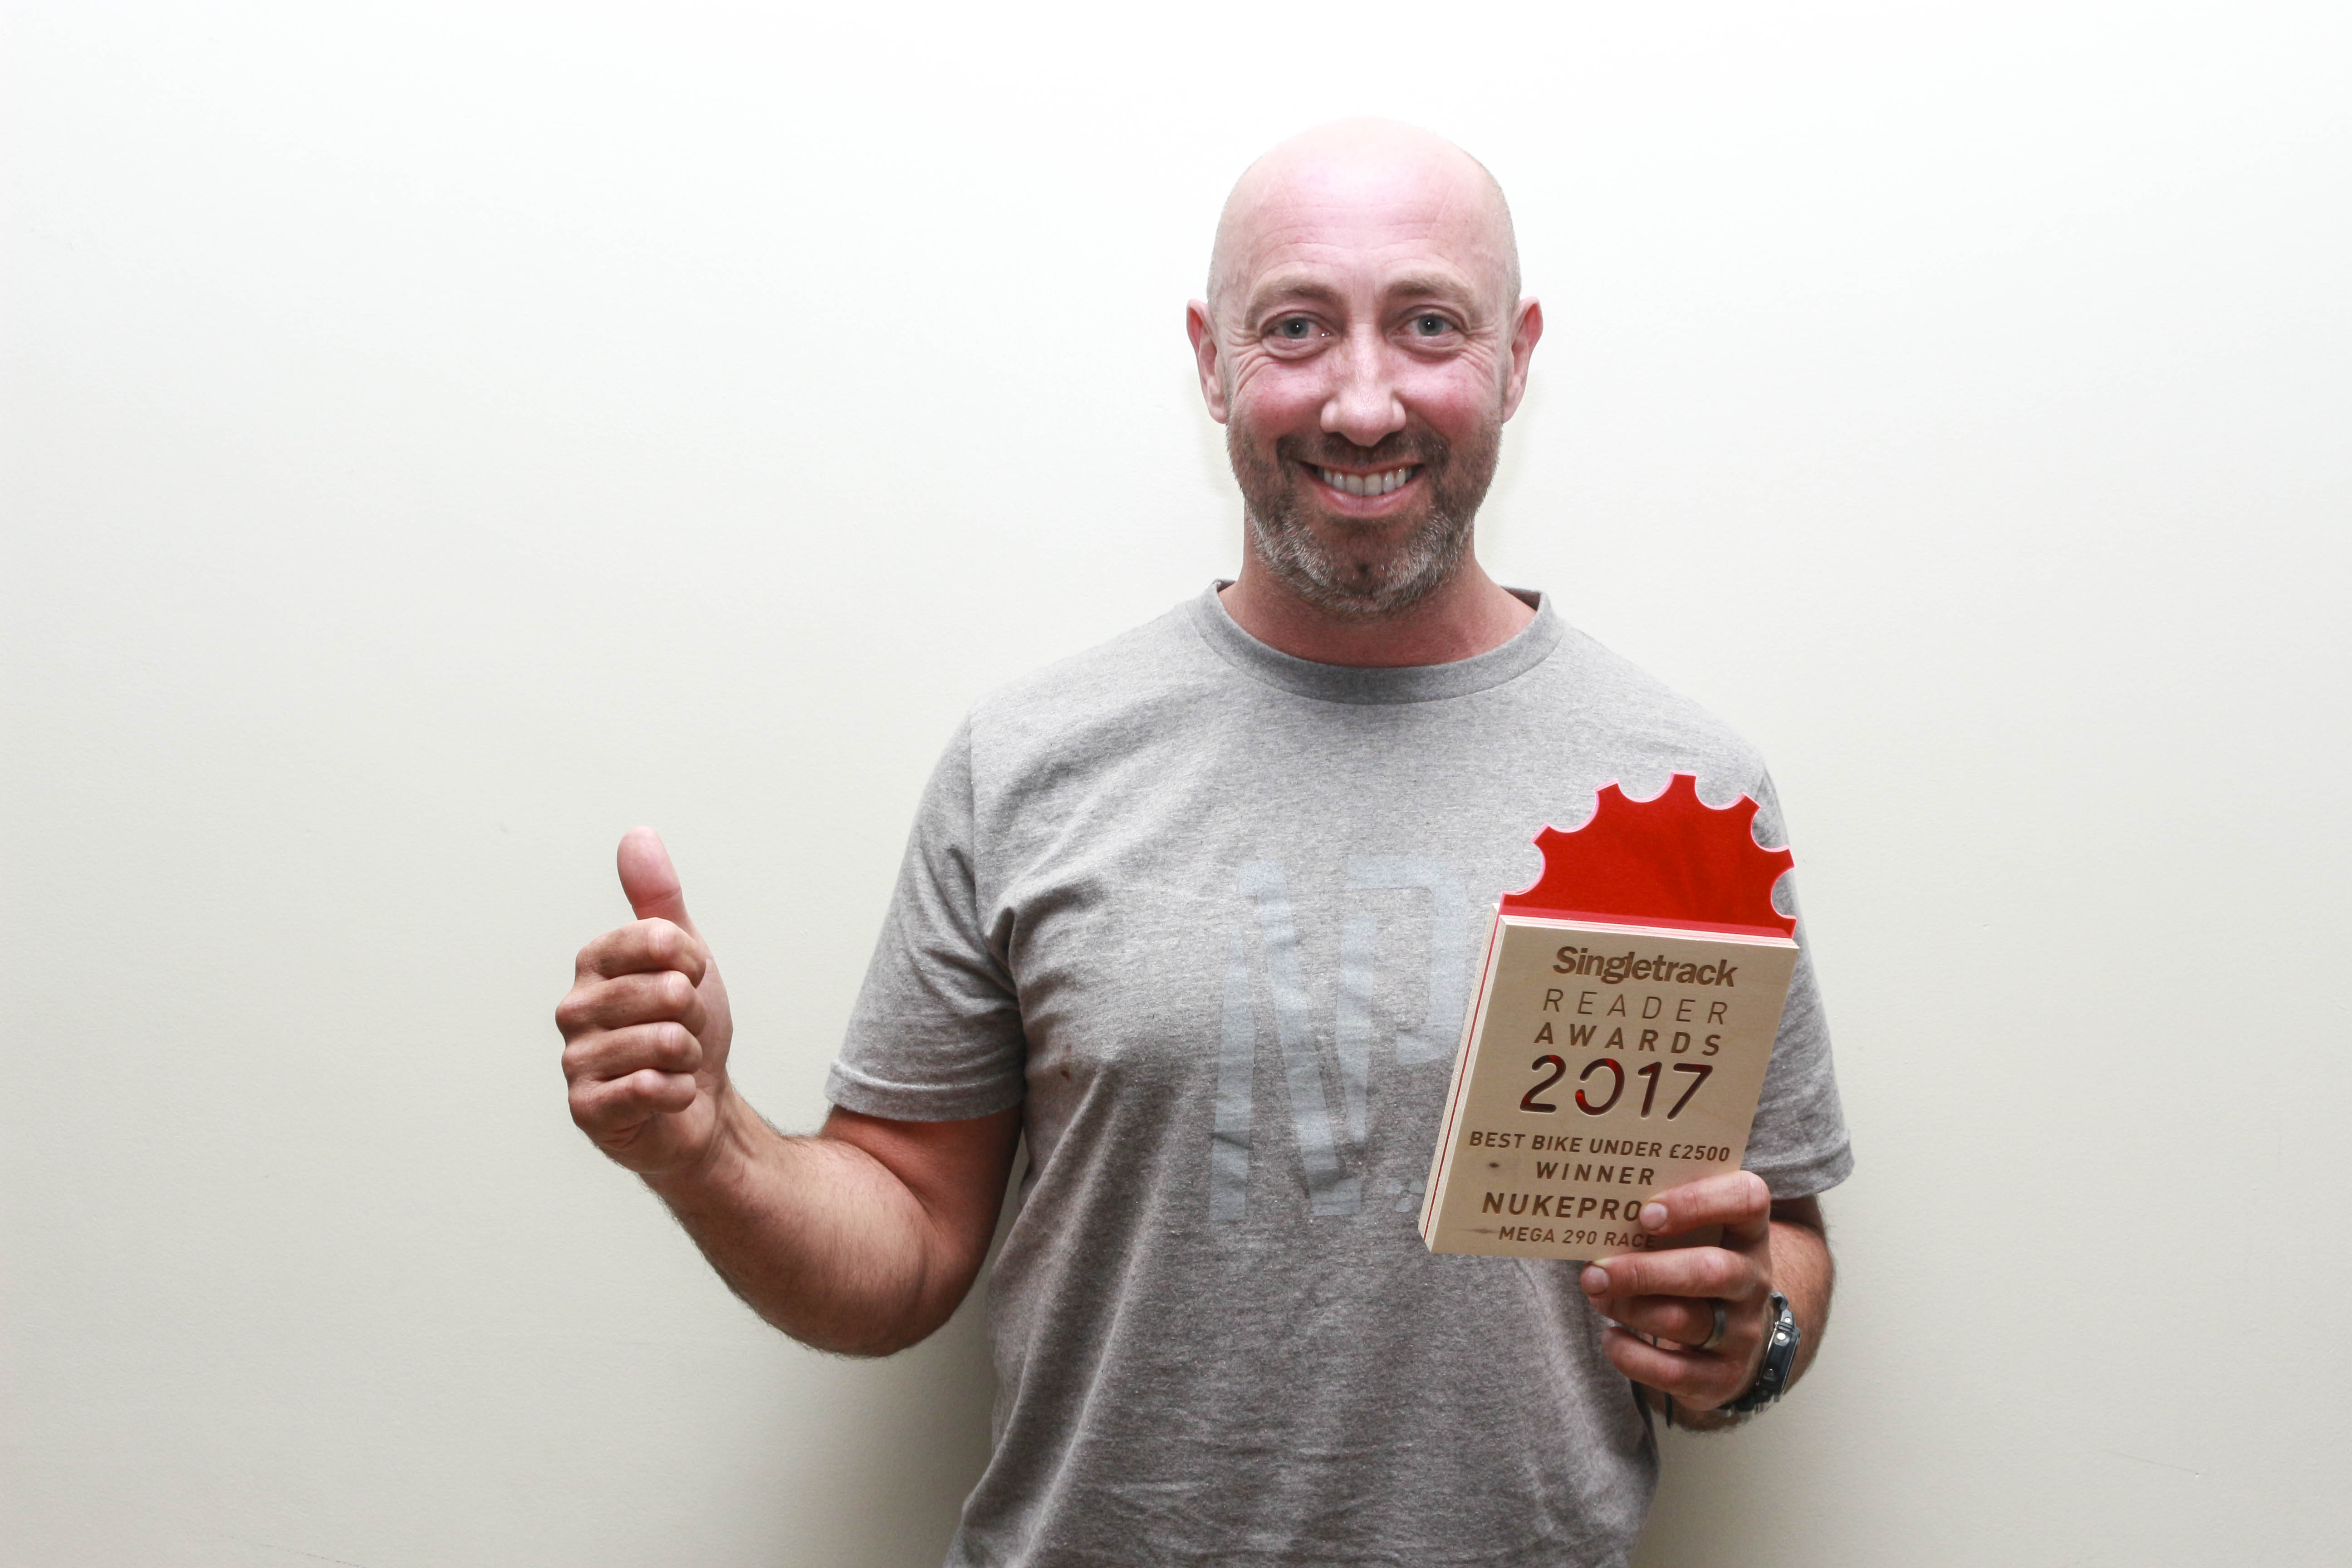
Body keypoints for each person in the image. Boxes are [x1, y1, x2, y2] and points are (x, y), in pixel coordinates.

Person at [555, 118, 1851, 1567]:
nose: (1364, 403)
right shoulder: (1030, 763)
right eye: (1297, 327)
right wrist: (705, 1144)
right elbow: (904, 1243)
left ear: (1516, 357)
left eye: (1429, 325)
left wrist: (1753, 1330)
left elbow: (1782, 1236)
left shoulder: (1683, 792)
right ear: (1213, 361)